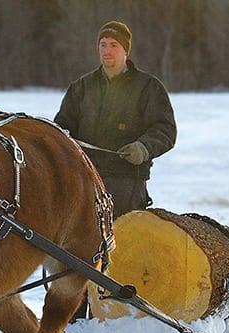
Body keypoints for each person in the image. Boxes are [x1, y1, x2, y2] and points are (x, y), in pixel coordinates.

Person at [55, 20, 176, 217]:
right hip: (86, 183)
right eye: (103, 45)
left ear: (125, 51)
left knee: (125, 243)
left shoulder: (148, 87)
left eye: (114, 45)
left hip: (127, 185)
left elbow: (165, 130)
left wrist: (143, 148)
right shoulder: (81, 88)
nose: (107, 51)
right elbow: (61, 131)